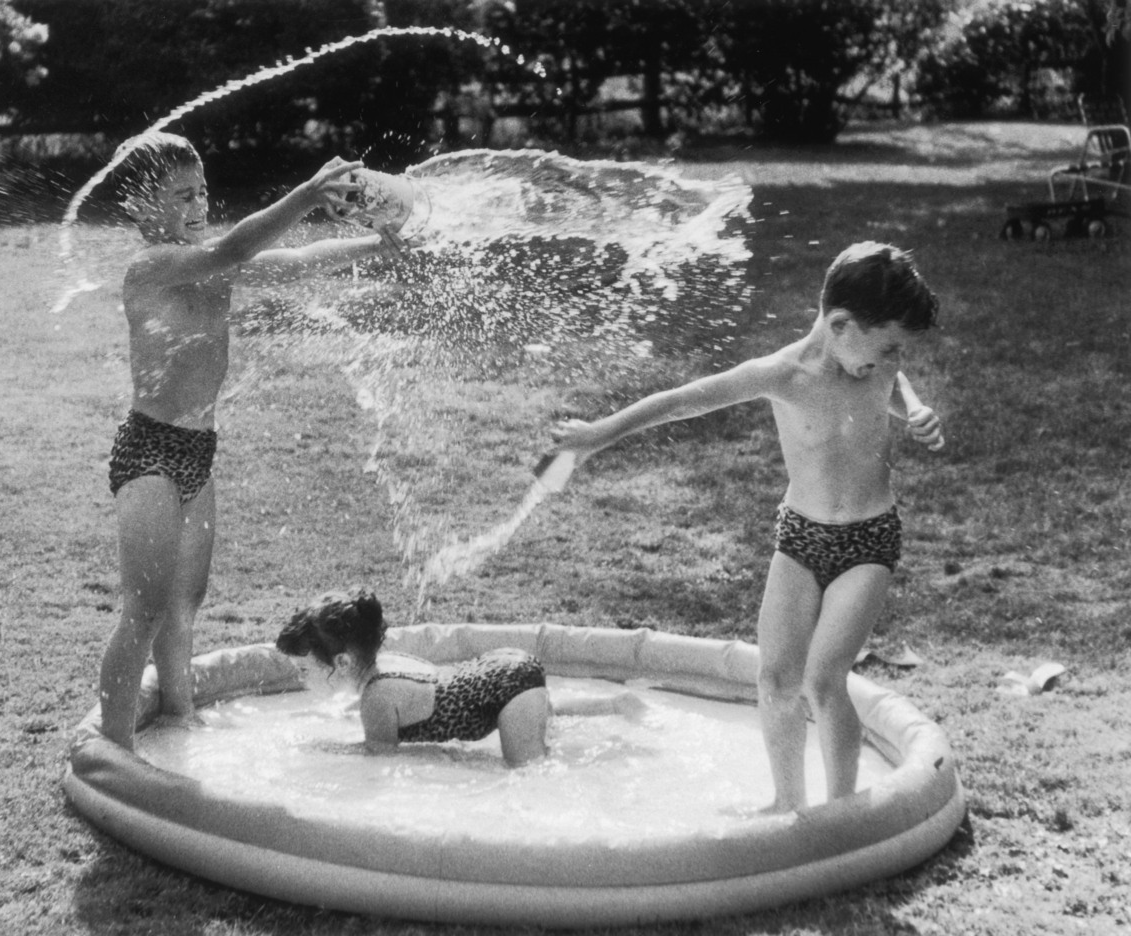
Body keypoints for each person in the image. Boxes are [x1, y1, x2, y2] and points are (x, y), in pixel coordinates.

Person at [548, 241, 944, 812]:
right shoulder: (782, 376)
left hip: (867, 539)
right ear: (838, 324)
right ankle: (787, 804)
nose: (892, 364)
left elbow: (891, 388)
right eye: (887, 349)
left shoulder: (874, 363)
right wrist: (597, 434)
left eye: (899, 353)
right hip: (800, 538)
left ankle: (842, 812)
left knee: (825, 680)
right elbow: (682, 402)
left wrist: (917, 411)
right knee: (776, 679)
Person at [100, 131, 410, 750]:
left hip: (196, 453)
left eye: (203, 191)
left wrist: (379, 247)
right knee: (145, 608)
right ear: (140, 206)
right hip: (151, 452)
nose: (198, 204)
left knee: (184, 604)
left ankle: (180, 712)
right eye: (182, 194)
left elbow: (296, 263)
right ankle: (115, 749)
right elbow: (240, 243)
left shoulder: (215, 271)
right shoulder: (152, 268)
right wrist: (307, 194)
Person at [275, 589, 644, 766]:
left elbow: (381, 755)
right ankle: (613, 705)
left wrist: (326, 748)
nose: (301, 678)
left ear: (340, 664)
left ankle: (608, 762)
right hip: (503, 672)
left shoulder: (376, 701)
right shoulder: (386, 667)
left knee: (531, 771)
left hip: (506, 691)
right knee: (544, 713)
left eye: (304, 669)